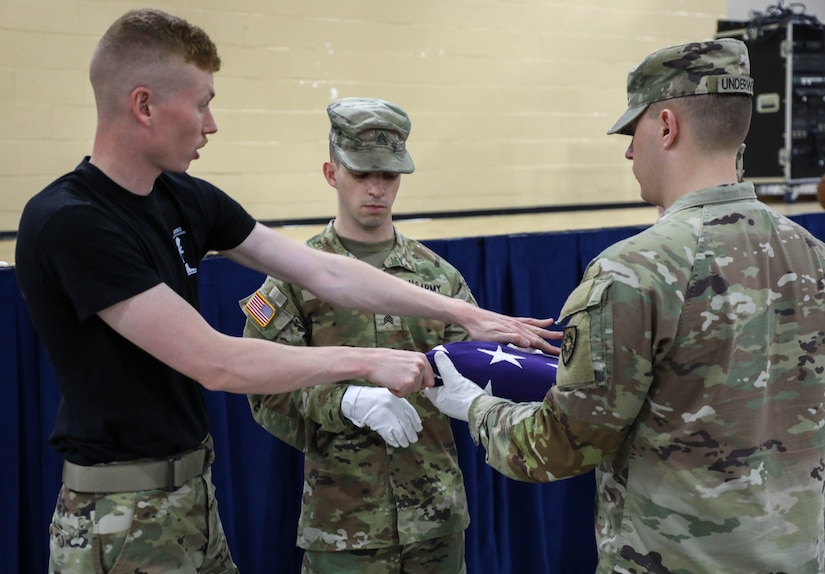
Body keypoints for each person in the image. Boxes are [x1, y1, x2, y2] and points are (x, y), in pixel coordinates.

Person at [13, 9, 558, 573]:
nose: (212, 124)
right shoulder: (71, 222)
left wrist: (466, 315)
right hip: (116, 514)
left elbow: (326, 272)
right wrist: (369, 366)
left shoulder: (184, 198)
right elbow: (216, 362)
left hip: (194, 496)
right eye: (202, 103)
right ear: (144, 104)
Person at [424, 38, 825, 573]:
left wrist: (474, 408)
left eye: (632, 132)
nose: (630, 152)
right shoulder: (814, 256)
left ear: (665, 126)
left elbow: (560, 445)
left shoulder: (633, 271)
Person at [241, 96, 475, 573]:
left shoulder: (439, 277)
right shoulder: (293, 277)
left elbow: (473, 369)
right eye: (362, 173)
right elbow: (263, 389)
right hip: (344, 523)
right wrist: (344, 402)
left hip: (435, 518)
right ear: (332, 173)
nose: (376, 189)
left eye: (388, 175)